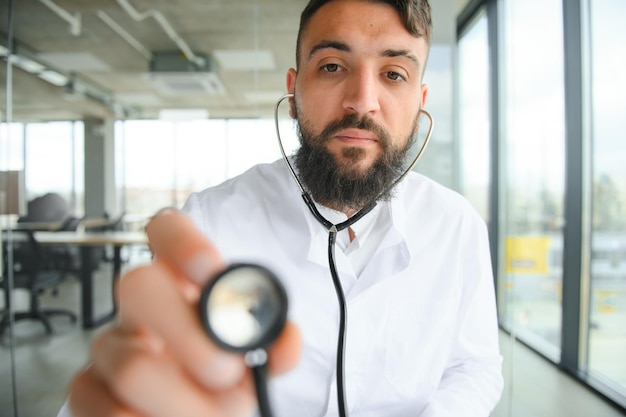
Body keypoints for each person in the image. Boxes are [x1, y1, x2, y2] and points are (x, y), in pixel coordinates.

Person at [60, 0, 504, 416]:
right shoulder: (209, 223)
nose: (362, 100)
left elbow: (475, 366)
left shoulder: (456, 226)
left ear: (420, 103)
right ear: (293, 92)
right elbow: (150, 368)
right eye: (332, 66)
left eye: (393, 74)